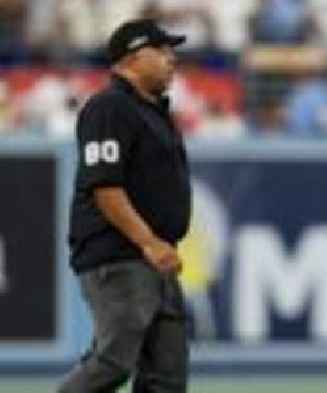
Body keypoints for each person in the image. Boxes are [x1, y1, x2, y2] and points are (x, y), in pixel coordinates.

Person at [58, 19, 191, 393]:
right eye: (162, 50)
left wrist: (157, 246)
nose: (172, 59)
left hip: (156, 257)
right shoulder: (109, 107)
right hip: (120, 255)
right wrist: (148, 241)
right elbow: (105, 187)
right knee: (113, 363)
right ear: (132, 58)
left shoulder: (154, 112)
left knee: (166, 379)